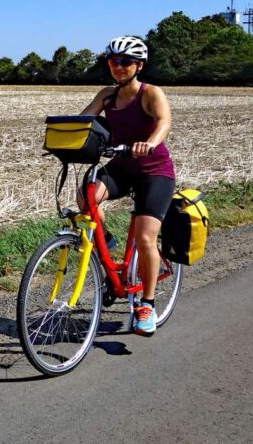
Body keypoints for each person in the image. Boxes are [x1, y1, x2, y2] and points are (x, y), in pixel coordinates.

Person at [78, 35, 175, 336]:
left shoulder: (150, 93)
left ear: (139, 65)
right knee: (87, 196)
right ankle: (106, 242)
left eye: (125, 62)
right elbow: (83, 119)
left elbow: (164, 122)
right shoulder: (107, 95)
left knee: (146, 240)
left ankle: (146, 304)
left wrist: (149, 143)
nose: (118, 67)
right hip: (122, 167)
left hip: (154, 172)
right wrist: (65, 134)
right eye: (113, 62)